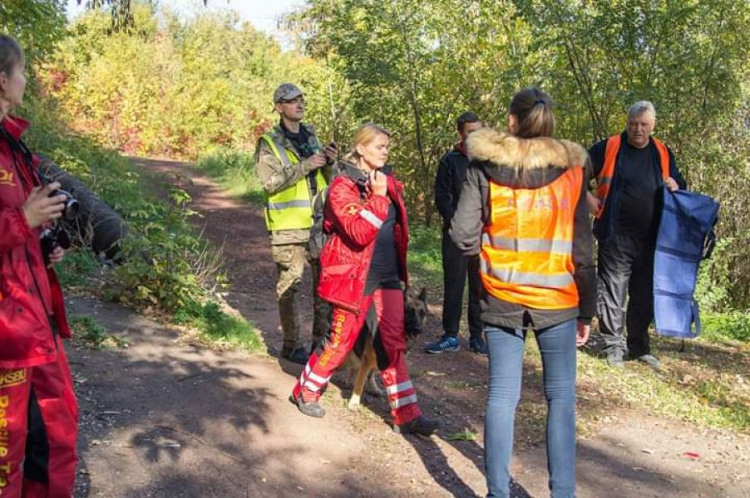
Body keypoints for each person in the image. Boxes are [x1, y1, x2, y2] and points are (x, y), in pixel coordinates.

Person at [450, 87, 595, 497]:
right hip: (558, 300)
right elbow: (583, 249)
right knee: (561, 400)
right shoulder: (571, 171)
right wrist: (587, 309)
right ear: (548, 123)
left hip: (500, 295)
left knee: (501, 396)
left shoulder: (483, 167)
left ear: (511, 122)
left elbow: (462, 235)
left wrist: (486, 260)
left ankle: (497, 492)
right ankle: (562, 493)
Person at [290, 123, 439, 436]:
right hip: (354, 277)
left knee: (393, 343)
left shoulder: (387, 182)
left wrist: (400, 272)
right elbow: (360, 231)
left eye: (387, 147)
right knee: (341, 341)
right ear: (360, 148)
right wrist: (379, 197)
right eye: (379, 146)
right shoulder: (343, 186)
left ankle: (407, 414)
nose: (385, 152)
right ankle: (305, 391)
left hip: (388, 277)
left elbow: (397, 231)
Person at [0, 34, 78, 496]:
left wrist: (43, 239)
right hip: (6, 331)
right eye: (23, 71)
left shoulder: (14, 146)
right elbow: (14, 218)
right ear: (3, 80)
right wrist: (23, 219)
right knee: (4, 450)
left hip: (32, 319)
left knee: (56, 428)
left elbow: (21, 220)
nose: (27, 80)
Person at [587, 101, 685, 368]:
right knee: (612, 292)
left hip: (653, 237)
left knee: (645, 294)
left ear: (652, 126)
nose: (638, 129)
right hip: (615, 234)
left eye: (643, 125)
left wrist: (676, 185)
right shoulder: (607, 148)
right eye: (633, 124)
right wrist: (586, 197)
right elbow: (575, 173)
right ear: (626, 123)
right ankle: (613, 347)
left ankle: (639, 346)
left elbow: (680, 184)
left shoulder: (663, 152)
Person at [254, 83, 338, 364]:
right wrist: (306, 165)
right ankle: (292, 345)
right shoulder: (269, 142)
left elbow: (328, 176)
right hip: (288, 226)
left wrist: (329, 162)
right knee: (290, 288)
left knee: (324, 287)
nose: (299, 105)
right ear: (279, 107)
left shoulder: (311, 134)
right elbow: (270, 182)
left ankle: (320, 344)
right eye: (292, 101)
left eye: (301, 100)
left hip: (318, 222)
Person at [426, 112, 486, 355]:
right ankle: (450, 336)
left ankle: (477, 337)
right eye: (471, 131)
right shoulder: (450, 161)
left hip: (484, 236)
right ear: (461, 133)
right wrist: (460, 224)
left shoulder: (489, 160)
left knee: (480, 287)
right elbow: (442, 199)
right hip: (456, 235)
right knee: (454, 285)